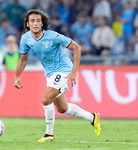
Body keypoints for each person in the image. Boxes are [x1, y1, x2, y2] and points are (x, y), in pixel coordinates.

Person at [14, 9, 101, 142]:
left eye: (38, 21)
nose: (35, 23)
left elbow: (77, 48)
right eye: (32, 21)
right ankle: (92, 118)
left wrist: (74, 72)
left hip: (64, 70)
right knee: (62, 108)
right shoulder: (26, 38)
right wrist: (16, 76)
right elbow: (23, 60)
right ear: (27, 24)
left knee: (45, 99)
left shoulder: (53, 36)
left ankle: (49, 135)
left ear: (42, 24)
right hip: (50, 74)